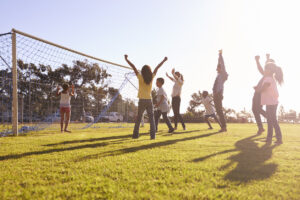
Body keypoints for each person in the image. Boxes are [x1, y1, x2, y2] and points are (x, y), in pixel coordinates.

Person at [124, 54, 168, 139]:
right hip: (149, 100)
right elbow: (157, 67)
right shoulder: (151, 77)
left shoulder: (140, 77)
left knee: (139, 118)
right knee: (151, 119)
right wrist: (164, 60)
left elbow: (133, 67)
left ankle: (135, 135)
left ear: (143, 71)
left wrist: (126, 59)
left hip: (142, 100)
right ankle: (153, 136)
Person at [257, 62, 284, 145]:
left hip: (271, 103)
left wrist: (257, 90)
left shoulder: (268, 79)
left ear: (269, 70)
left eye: (265, 69)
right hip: (271, 102)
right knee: (270, 120)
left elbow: (264, 88)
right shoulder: (270, 78)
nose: (264, 70)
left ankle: (278, 139)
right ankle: (269, 139)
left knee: (272, 120)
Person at [253, 54, 274, 134]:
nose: (266, 69)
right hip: (258, 92)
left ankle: (271, 120)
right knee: (255, 109)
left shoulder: (268, 76)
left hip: (259, 93)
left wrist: (257, 61)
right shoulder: (266, 75)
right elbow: (264, 68)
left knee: (257, 109)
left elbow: (261, 69)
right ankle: (262, 126)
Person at [212, 49, 228, 132]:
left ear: (220, 68)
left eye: (217, 68)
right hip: (216, 95)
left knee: (219, 111)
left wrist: (220, 55)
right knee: (218, 111)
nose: (216, 69)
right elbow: (219, 63)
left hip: (218, 94)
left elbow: (222, 64)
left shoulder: (222, 74)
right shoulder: (218, 75)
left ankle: (224, 127)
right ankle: (223, 127)